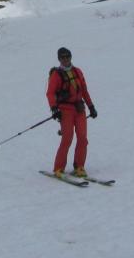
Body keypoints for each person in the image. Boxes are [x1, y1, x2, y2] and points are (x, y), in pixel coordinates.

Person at [46, 47, 97, 178]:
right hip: (65, 110)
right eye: (62, 57)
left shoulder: (78, 71)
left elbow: (84, 90)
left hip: (79, 109)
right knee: (67, 138)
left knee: (82, 138)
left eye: (67, 57)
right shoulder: (56, 75)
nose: (65, 59)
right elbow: (50, 93)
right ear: (59, 59)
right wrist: (54, 108)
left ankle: (79, 167)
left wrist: (91, 106)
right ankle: (58, 168)